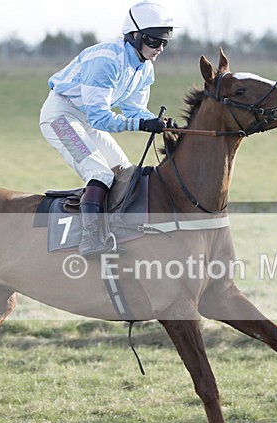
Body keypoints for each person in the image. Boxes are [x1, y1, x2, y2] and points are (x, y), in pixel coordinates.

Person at [39, 1, 175, 257]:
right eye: (155, 42)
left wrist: (161, 125)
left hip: (86, 121)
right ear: (135, 36)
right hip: (61, 116)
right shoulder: (106, 61)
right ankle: (90, 240)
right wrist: (143, 124)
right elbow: (101, 118)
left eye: (164, 43)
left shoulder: (145, 68)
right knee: (100, 172)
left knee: (126, 174)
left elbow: (135, 111)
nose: (160, 49)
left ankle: (116, 231)